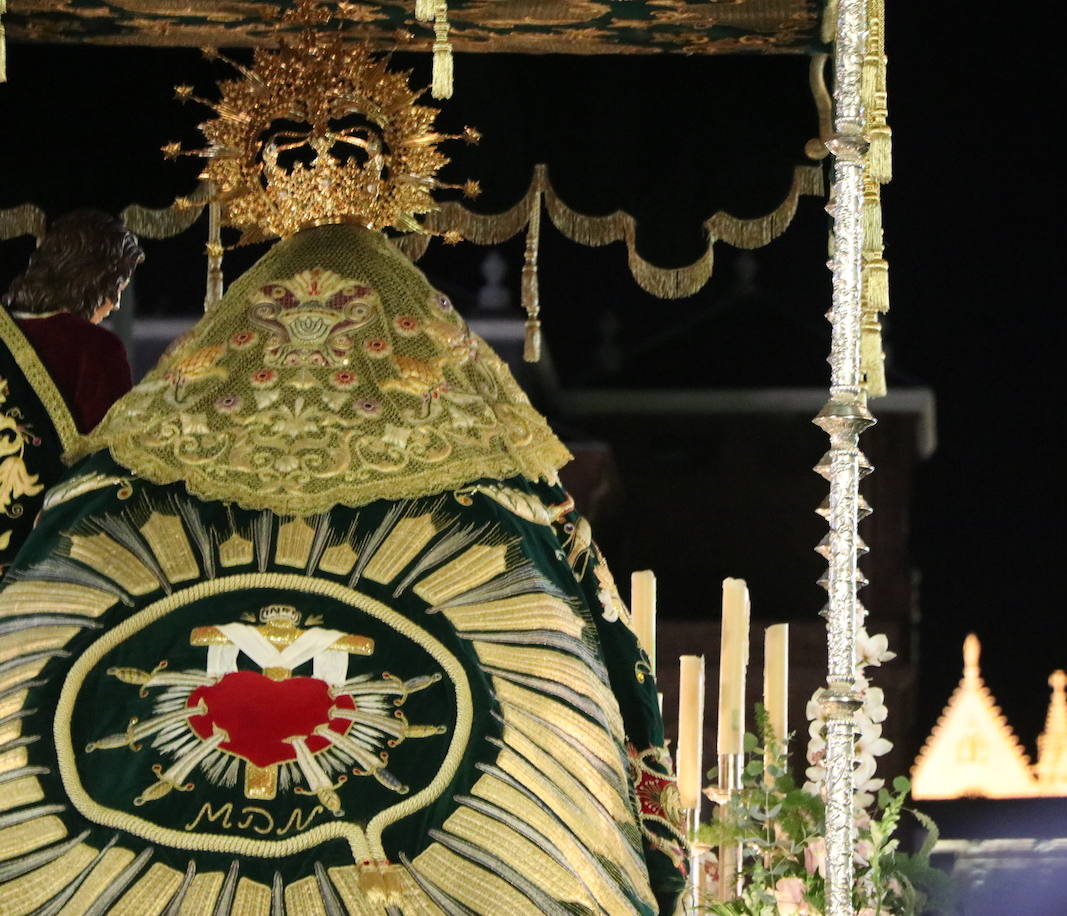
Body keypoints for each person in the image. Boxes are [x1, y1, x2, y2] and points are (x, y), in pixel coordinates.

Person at [0, 17, 683, 916]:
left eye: (339, 140)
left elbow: (109, 477)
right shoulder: (441, 375)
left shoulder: (188, 399)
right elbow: (543, 519)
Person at [0, 209, 141, 569]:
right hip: (44, 552)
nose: (117, 304)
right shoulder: (96, 349)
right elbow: (115, 457)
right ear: (95, 280)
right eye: (118, 288)